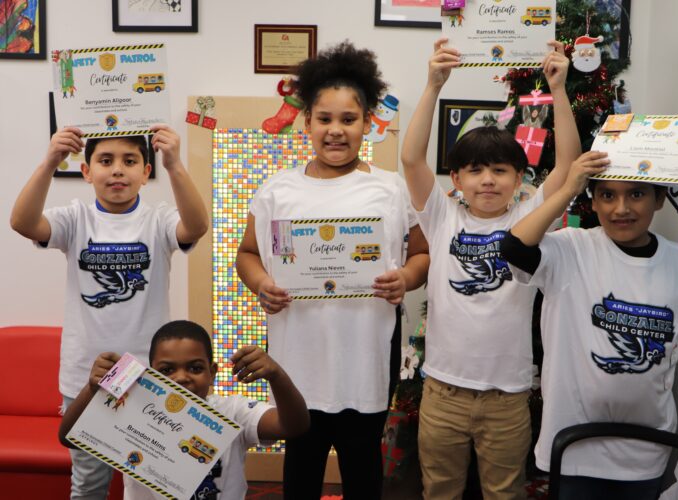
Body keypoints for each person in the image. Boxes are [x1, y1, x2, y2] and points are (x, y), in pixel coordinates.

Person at [235, 41, 429, 499]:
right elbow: (247, 254)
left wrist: (405, 278)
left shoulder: (390, 189)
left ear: (368, 123)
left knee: (363, 473)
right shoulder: (277, 190)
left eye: (349, 119)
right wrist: (262, 284)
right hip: (297, 359)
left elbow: (421, 255)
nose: (336, 130)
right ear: (307, 122)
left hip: (365, 358)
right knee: (300, 472)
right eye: (324, 119)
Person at [400, 38, 579, 499]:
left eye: (500, 171)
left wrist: (559, 90)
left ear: (518, 179)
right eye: (475, 171)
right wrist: (433, 85)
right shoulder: (442, 216)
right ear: (457, 179)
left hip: (507, 397)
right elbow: (411, 159)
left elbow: (567, 167)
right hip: (443, 392)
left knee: (505, 493)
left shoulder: (528, 218)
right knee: (439, 491)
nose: (487, 180)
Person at [501, 152, 678, 500]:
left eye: (636, 194)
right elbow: (513, 247)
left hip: (645, 452)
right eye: (607, 195)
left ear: (659, 199)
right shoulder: (571, 249)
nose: (621, 208)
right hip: (575, 450)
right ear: (593, 201)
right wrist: (568, 189)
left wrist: (653, 342)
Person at [10, 125, 208, 498]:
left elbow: (196, 226)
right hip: (87, 377)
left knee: (151, 482)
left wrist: (174, 164)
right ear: (87, 172)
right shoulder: (75, 219)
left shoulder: (159, 220)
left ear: (145, 172)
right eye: (105, 160)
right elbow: (22, 222)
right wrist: (50, 161)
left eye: (130, 161)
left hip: (149, 377)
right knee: (89, 483)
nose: (117, 169)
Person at [58, 320, 310, 499]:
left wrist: (277, 376)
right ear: (151, 373)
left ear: (212, 373)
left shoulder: (232, 411)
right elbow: (69, 437)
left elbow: (294, 426)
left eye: (195, 368)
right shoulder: (132, 408)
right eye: (167, 370)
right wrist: (91, 389)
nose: (181, 378)